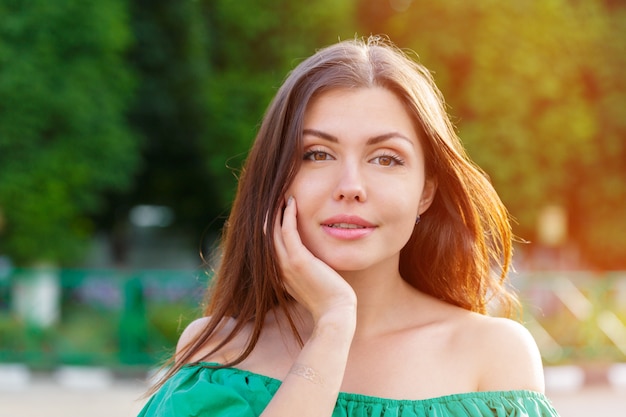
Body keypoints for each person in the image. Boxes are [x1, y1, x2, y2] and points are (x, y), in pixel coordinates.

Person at [138, 36, 560, 417]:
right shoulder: (217, 353)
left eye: (386, 158)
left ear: (426, 192)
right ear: (275, 178)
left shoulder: (492, 356)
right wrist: (332, 328)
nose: (351, 187)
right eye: (317, 154)